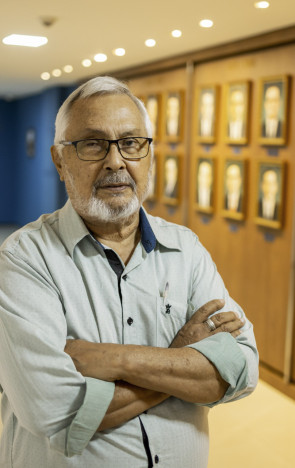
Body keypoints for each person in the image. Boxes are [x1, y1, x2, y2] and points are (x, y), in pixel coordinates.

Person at [0, 76, 258, 468]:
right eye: (92, 143)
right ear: (59, 160)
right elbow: (53, 412)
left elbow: (241, 368)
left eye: (131, 143)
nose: (116, 161)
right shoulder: (23, 259)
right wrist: (178, 360)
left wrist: (117, 359)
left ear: (149, 156)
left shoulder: (185, 248)